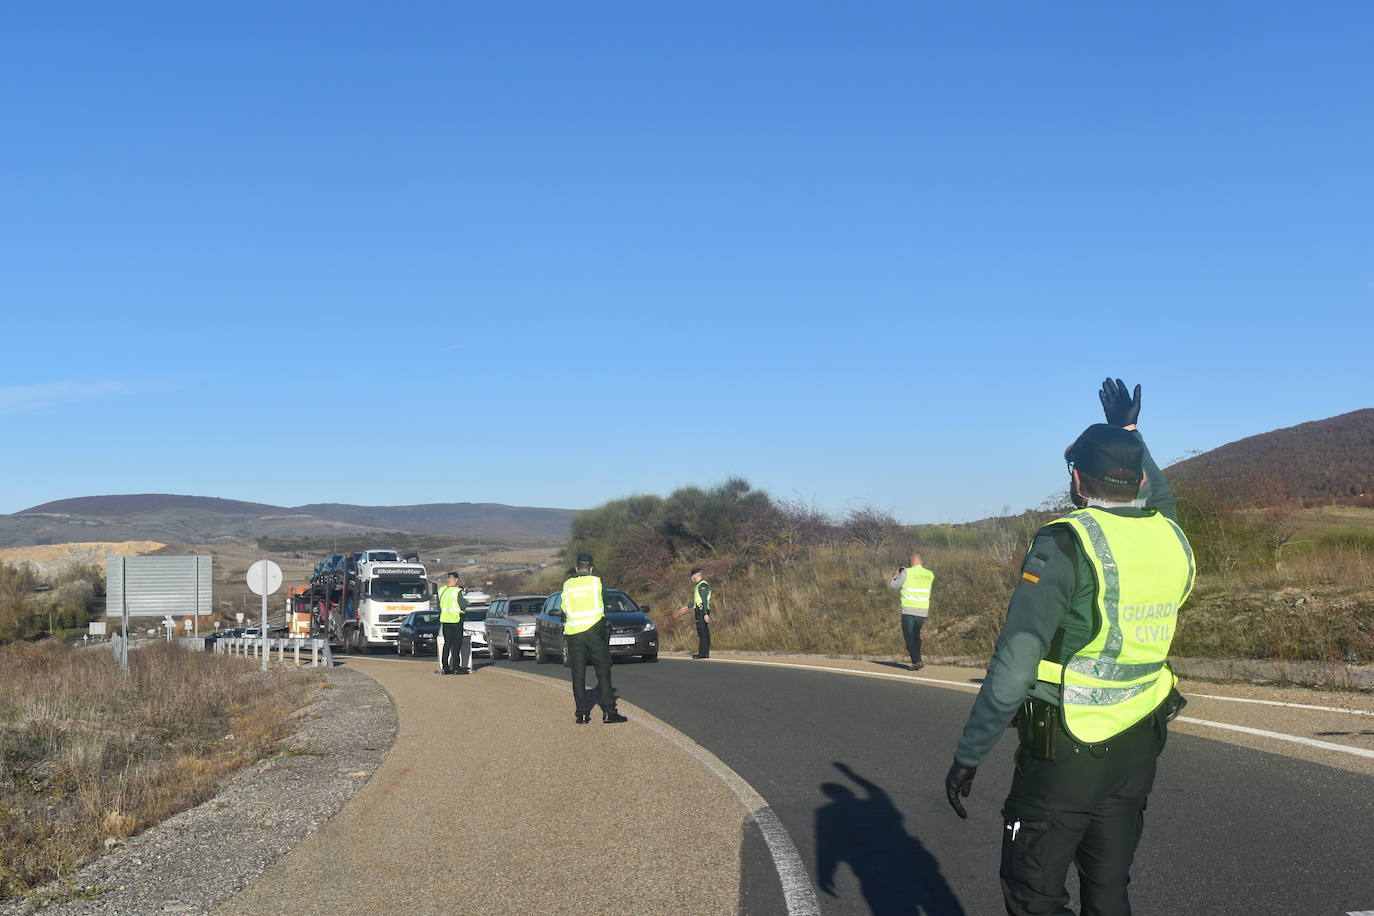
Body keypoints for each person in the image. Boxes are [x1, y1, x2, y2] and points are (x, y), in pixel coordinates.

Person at [943, 378, 1195, 916]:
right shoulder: (1170, 536)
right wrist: (1129, 432)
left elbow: (1014, 665)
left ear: (1077, 477)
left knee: (1034, 893)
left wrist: (969, 756)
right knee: (1108, 890)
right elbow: (1163, 498)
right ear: (1142, 476)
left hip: (1066, 748)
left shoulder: (1065, 542)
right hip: (1138, 745)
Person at [561, 554, 627, 724]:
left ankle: (582, 715)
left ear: (576, 568)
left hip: (574, 633)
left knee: (578, 673)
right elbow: (605, 601)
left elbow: (563, 609)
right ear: (591, 568)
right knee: (603, 670)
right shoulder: (597, 582)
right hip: (595, 631)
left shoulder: (567, 585)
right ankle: (608, 713)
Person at [889, 553, 934, 670]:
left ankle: (916, 661)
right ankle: (917, 658)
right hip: (923, 611)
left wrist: (896, 575)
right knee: (916, 635)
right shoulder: (929, 574)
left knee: (909, 636)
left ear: (911, 563)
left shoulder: (907, 572)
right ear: (921, 562)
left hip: (909, 609)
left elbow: (894, 585)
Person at [436, 572, 469, 675]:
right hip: (456, 620)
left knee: (447, 644)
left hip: (445, 621)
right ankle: (455, 667)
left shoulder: (441, 590)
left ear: (447, 579)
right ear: (456, 580)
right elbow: (463, 605)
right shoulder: (457, 591)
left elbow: (438, 606)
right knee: (456, 645)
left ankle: (445, 667)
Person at [681, 568, 712, 659]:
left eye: (692, 576)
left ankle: (703, 652)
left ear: (695, 575)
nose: (692, 578)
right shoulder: (699, 585)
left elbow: (704, 600)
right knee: (703, 632)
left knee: (702, 632)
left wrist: (705, 613)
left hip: (702, 611)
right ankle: (705, 652)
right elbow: (696, 600)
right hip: (700, 610)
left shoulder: (702, 585)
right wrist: (687, 607)